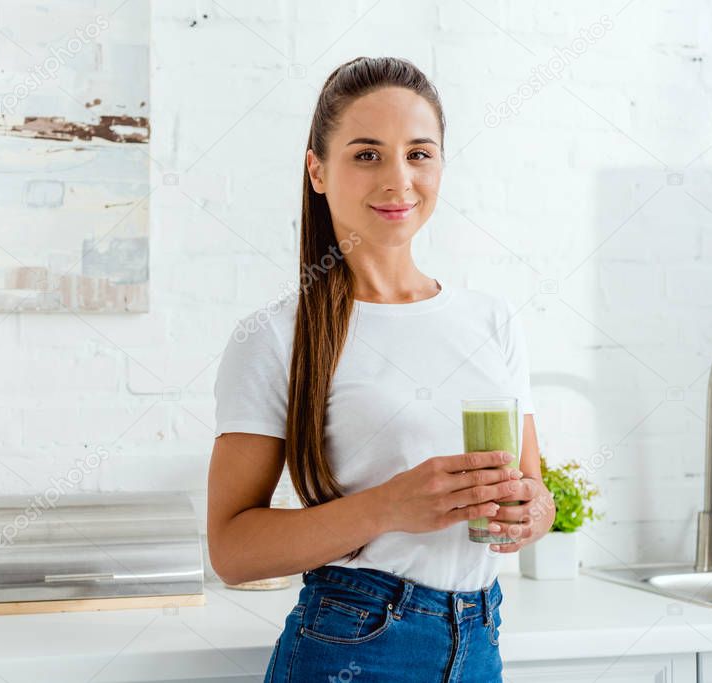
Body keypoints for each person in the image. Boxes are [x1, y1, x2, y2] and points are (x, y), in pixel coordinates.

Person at [206, 56, 554, 682]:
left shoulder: (493, 320)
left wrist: (532, 511)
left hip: (480, 642)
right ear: (317, 170)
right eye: (367, 154)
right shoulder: (275, 337)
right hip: (356, 646)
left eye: (419, 154)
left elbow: (534, 491)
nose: (399, 180)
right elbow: (232, 551)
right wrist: (388, 507)